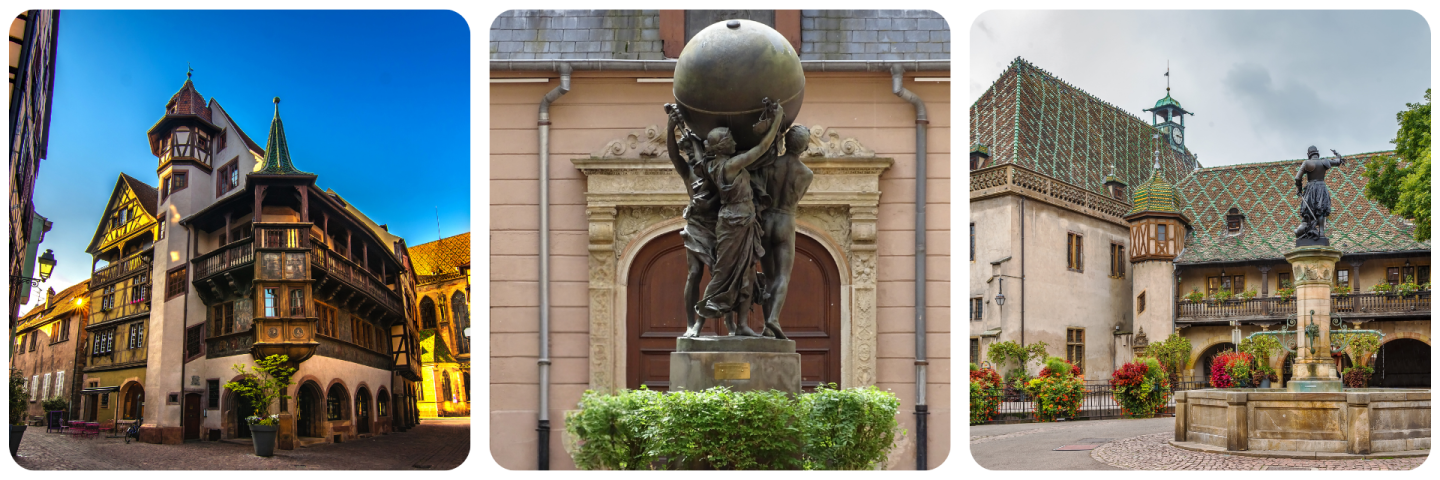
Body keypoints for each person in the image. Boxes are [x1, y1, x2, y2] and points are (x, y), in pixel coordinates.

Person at [694, 100, 785, 336]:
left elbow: (762, 154)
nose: (736, 142)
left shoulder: (713, 163)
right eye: (731, 139)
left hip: (743, 220)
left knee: (747, 272)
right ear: (723, 146)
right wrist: (777, 119)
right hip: (734, 221)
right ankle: (700, 320)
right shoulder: (730, 166)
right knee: (724, 273)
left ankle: (743, 325)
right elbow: (761, 148)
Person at [663, 103, 731, 337]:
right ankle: (691, 323)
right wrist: (671, 127)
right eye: (689, 153)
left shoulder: (715, 170)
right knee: (694, 274)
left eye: (694, 152)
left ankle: (731, 324)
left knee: (723, 276)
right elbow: (673, 154)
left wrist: (694, 142)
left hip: (719, 228)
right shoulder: (688, 172)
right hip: (695, 227)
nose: (691, 156)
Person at [746, 125, 813, 339]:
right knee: (783, 276)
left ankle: (768, 326)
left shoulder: (770, 165)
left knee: (768, 275)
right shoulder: (806, 174)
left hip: (766, 219)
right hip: (786, 220)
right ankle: (773, 320)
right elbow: (797, 198)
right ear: (805, 147)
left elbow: (759, 191)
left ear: (786, 142)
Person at [1293, 146, 1345, 244]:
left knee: (1308, 211)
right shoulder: (1324, 162)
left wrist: (1299, 188)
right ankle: (1321, 233)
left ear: (1309, 155)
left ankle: (1308, 231)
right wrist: (1337, 154)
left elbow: (1297, 178)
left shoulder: (1306, 163)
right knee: (1321, 210)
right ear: (1318, 153)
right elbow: (1338, 161)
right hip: (1321, 187)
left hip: (1311, 188)